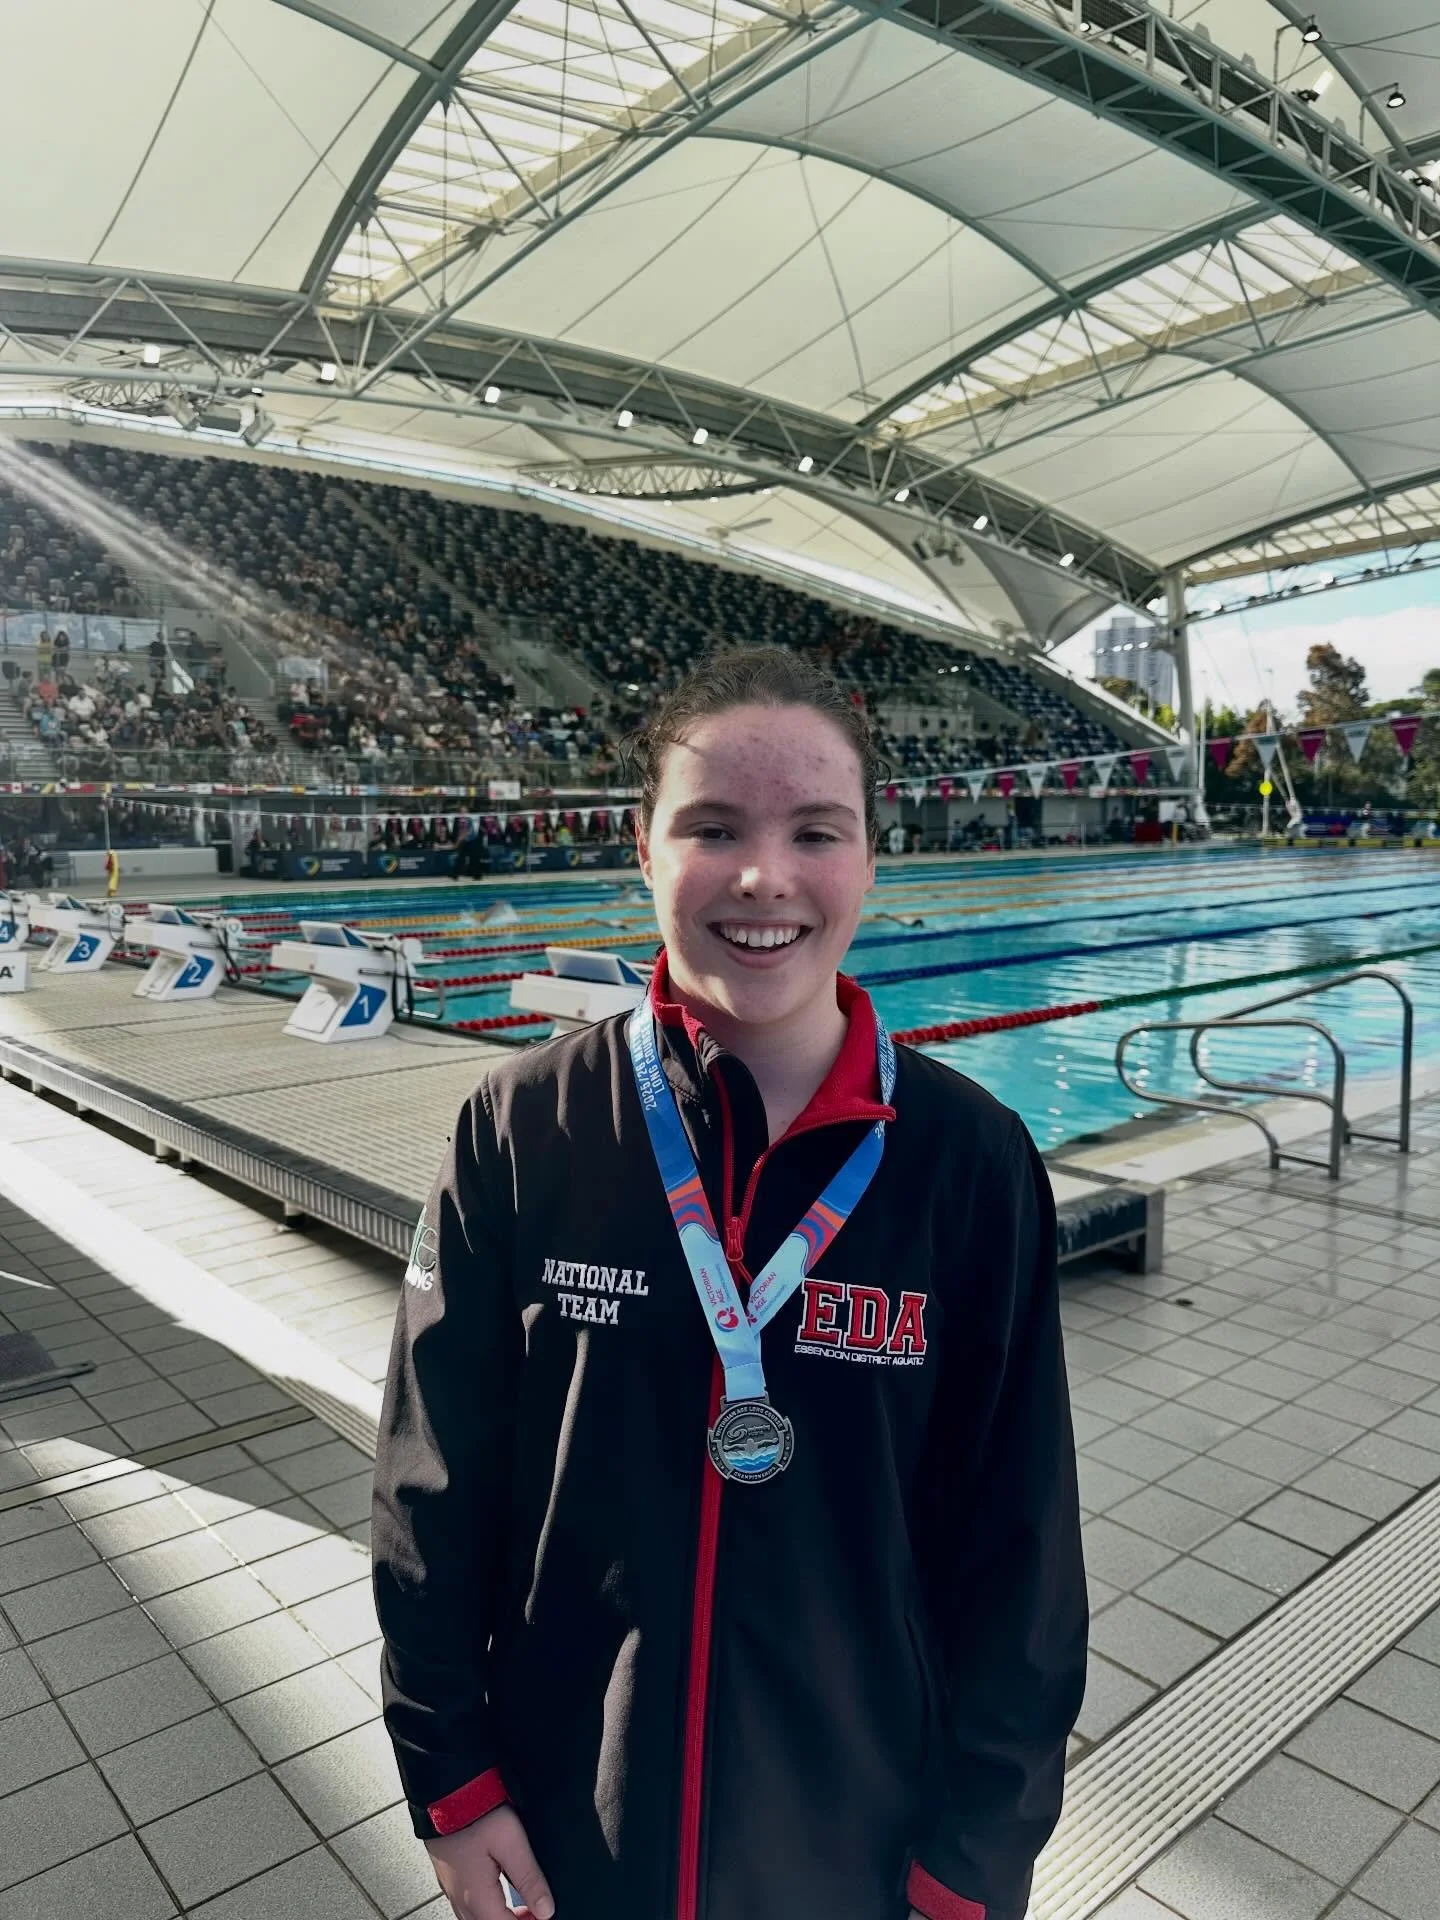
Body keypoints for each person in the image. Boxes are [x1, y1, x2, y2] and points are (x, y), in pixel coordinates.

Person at [372, 645, 1085, 1920]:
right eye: (713, 828)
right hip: (568, 1836)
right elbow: (431, 1485)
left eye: (817, 829)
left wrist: (974, 1861)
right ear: (640, 849)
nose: (766, 878)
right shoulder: (522, 1129)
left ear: (872, 858)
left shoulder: (968, 1164)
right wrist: (454, 1779)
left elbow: (1020, 1549)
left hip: (858, 1849)